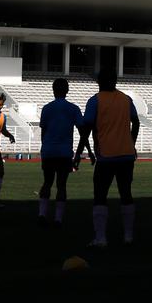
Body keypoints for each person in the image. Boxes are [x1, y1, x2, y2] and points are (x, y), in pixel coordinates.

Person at [75, 68, 139, 247]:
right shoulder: (126, 100)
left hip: (106, 156)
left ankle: (101, 238)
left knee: (100, 195)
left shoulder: (95, 101)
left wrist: (79, 153)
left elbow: (86, 127)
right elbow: (136, 121)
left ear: (99, 82)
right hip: (126, 155)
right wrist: (132, 143)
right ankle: (128, 236)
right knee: (126, 193)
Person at [37, 77, 84, 227]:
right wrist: (82, 152)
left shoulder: (46, 108)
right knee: (61, 185)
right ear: (67, 90)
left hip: (49, 151)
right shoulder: (73, 108)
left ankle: (42, 214)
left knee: (47, 182)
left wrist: (44, 147)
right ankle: (58, 218)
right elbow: (83, 131)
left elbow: (43, 131)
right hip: (64, 153)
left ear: (53, 90)